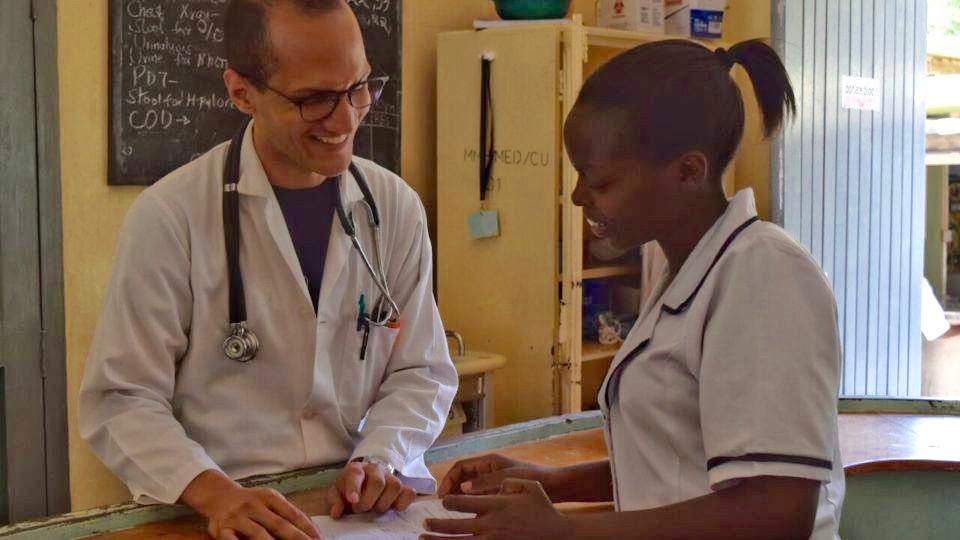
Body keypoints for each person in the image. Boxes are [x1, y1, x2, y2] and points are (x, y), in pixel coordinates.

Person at [424, 39, 845, 540]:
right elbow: (683, 462)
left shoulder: (766, 277)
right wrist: (552, 483)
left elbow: (776, 513)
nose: (580, 196)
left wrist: (565, 533)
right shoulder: (688, 274)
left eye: (599, 182)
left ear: (689, 171)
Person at [79, 1, 457, 539]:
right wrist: (215, 494)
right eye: (315, 100)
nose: (346, 118)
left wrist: (383, 456)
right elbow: (121, 398)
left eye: (359, 88)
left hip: (355, 512)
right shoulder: (171, 217)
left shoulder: (393, 208)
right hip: (218, 508)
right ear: (241, 92)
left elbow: (422, 370)